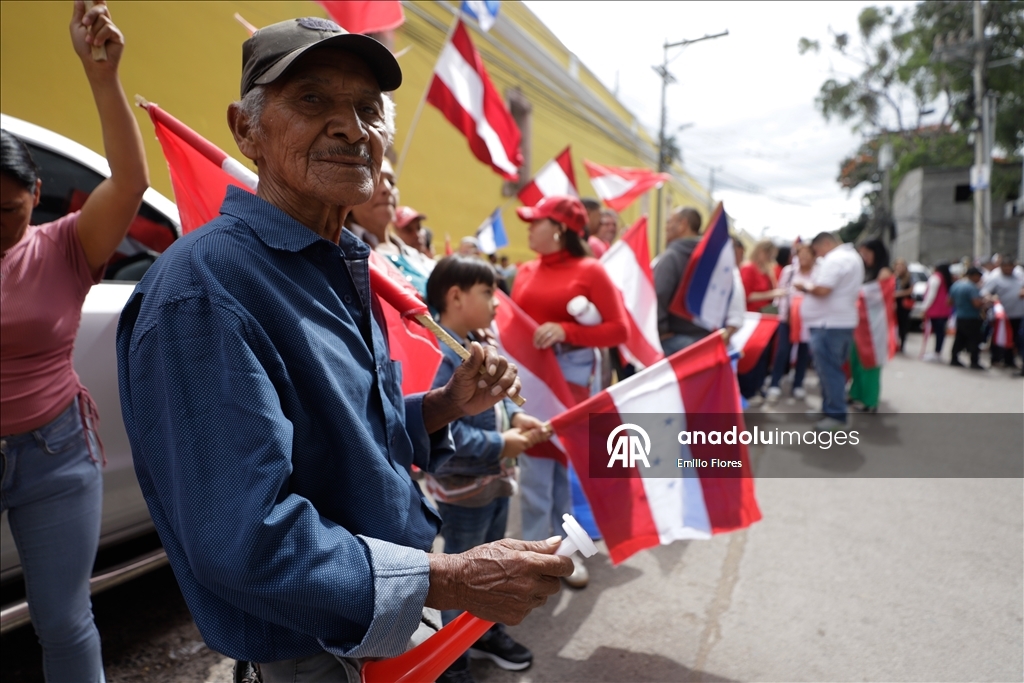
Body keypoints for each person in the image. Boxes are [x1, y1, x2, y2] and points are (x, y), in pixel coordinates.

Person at [116, 18, 571, 682]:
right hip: (323, 644)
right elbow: (245, 539)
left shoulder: (338, 260)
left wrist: (444, 404)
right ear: (245, 130)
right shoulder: (204, 290)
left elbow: (355, 437)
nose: (353, 128)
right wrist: (447, 578)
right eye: (313, 101)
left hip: (394, 603)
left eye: (368, 109)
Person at [0, 4, 149, 681]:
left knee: (63, 619)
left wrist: (103, 78)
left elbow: (130, 182)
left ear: (36, 194)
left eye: (8, 207)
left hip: (57, 455)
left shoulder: (65, 245)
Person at [424, 256, 549, 683]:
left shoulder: (479, 343)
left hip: (493, 486)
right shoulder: (443, 359)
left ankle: (482, 634)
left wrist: (514, 423)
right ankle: (450, 661)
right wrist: (503, 445)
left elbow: (491, 411)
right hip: (464, 494)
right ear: (456, 296)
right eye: (487, 292)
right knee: (460, 576)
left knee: (490, 565)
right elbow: (446, 440)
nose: (498, 302)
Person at [511, 194, 629, 589]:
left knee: (557, 472)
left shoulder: (590, 270)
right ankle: (539, 557)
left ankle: (555, 557)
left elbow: (619, 329)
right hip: (530, 385)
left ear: (560, 229)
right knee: (537, 473)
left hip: (569, 387)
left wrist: (567, 331)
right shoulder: (525, 270)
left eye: (536, 221)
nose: (528, 226)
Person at [794, 232, 865, 431]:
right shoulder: (851, 257)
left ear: (826, 243)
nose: (818, 256)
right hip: (837, 323)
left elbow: (823, 289)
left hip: (829, 324)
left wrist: (805, 286)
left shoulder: (836, 259)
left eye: (817, 251)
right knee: (830, 368)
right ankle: (829, 407)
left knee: (830, 370)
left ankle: (836, 414)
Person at [347, 158, 433, 294]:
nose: (387, 188)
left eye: (391, 182)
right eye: (373, 180)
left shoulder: (418, 258)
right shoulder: (341, 252)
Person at [653, 207, 711, 354]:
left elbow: (658, 294)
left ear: (683, 225)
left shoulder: (672, 256)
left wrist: (661, 332)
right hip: (705, 339)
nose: (666, 227)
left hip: (674, 341)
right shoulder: (711, 258)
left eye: (670, 221)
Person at [767, 243, 817, 402]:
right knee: (782, 351)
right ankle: (775, 383)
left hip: (807, 321)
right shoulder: (788, 272)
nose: (803, 258)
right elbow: (781, 294)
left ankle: (798, 384)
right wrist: (786, 313)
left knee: (803, 352)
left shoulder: (817, 274)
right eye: (800, 255)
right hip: (787, 319)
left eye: (807, 255)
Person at [848, 239, 893, 413]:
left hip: (874, 326)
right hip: (860, 324)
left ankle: (870, 401)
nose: (863, 257)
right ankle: (856, 394)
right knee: (856, 360)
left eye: (867, 253)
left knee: (870, 362)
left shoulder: (884, 272)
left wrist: (852, 293)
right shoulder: (865, 270)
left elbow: (875, 295)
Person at [738, 240, 785, 404]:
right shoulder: (748, 268)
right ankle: (748, 391)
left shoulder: (766, 270)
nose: (770, 257)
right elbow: (747, 295)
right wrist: (773, 293)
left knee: (763, 357)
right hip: (751, 319)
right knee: (752, 356)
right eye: (768, 253)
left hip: (765, 320)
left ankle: (757, 387)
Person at [981, 256, 1024, 369]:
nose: (1008, 269)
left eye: (1010, 267)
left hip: (1018, 314)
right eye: (1006, 267)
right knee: (999, 337)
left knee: (1013, 338)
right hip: (1002, 316)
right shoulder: (995, 277)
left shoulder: (1019, 275)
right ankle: (996, 359)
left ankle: (1009, 360)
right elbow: (985, 293)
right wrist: (991, 298)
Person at [949, 267, 988, 369]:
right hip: (971, 317)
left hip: (960, 316)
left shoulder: (956, 285)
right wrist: (985, 302)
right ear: (974, 276)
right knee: (974, 340)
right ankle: (974, 361)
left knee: (959, 339)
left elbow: (949, 302)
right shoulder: (972, 287)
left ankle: (954, 358)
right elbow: (976, 303)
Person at [921, 262, 954, 362]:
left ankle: (936, 352)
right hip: (944, 309)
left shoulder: (935, 278)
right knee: (940, 332)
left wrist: (924, 308)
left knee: (938, 331)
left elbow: (931, 295)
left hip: (936, 309)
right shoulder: (945, 279)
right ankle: (938, 351)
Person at [892, 258, 913, 352]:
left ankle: (902, 343)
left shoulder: (908, 277)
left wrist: (898, 294)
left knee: (903, 325)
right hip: (893, 303)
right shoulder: (893, 277)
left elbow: (910, 290)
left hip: (903, 304)